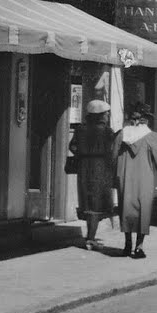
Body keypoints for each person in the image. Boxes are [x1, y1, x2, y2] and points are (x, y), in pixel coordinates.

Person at [113, 103, 157, 259]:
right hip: (145, 177)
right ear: (146, 120)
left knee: (126, 209)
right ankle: (139, 247)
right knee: (143, 210)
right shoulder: (152, 137)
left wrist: (113, 177)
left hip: (125, 176)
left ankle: (127, 245)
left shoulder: (121, 135)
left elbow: (112, 157)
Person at [70, 100, 116, 250]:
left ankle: (90, 236)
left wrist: (83, 154)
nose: (108, 115)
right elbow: (113, 151)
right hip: (101, 168)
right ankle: (90, 238)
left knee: (88, 202)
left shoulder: (80, 129)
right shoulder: (107, 131)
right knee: (97, 204)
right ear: (100, 115)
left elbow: (73, 146)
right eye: (106, 113)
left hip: (84, 168)